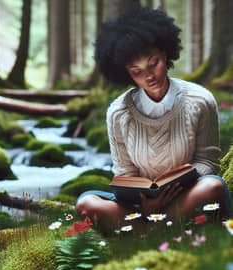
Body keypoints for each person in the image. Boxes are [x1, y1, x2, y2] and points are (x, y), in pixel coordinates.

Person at [76, 6, 231, 232]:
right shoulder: (118, 112)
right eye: (136, 71)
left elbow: (208, 162)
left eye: (153, 63)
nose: (149, 76)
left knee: (213, 187)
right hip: (139, 203)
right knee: (86, 202)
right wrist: (148, 201)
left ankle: (149, 229)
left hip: (188, 195)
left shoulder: (200, 100)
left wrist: (172, 191)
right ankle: (161, 226)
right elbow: (124, 174)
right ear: (126, 73)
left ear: (166, 54)